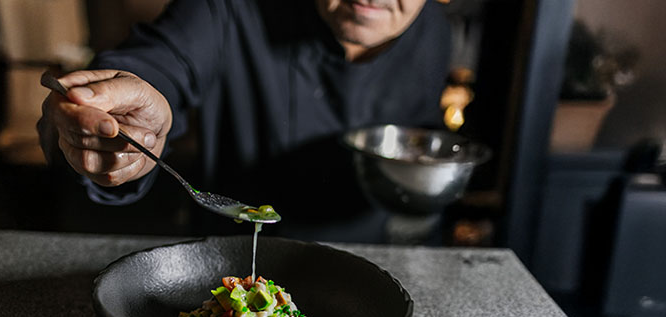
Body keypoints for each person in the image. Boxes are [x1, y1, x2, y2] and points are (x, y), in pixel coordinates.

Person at [38, 0, 451, 242]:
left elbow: (417, 139)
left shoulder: (432, 29)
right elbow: (161, 62)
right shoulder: (230, 8)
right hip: (228, 270)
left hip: (367, 269)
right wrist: (121, 111)